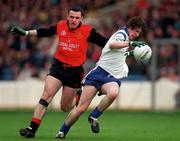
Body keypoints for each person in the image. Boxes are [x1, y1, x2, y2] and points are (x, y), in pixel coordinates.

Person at [11, 6, 108, 138]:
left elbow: (106, 43)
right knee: (46, 96)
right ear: (67, 17)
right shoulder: (61, 26)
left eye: (77, 18)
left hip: (74, 72)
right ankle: (32, 129)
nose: (74, 20)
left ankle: (77, 96)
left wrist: (127, 45)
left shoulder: (88, 31)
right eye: (72, 17)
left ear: (81, 19)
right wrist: (26, 33)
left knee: (65, 107)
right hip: (58, 67)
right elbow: (44, 32)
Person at [55, 16, 147, 139]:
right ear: (130, 27)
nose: (137, 34)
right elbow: (113, 44)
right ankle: (62, 131)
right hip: (98, 73)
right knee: (80, 109)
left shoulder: (126, 37)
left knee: (113, 93)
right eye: (136, 31)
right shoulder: (121, 34)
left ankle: (94, 116)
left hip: (110, 77)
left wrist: (133, 52)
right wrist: (131, 44)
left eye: (139, 33)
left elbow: (120, 52)